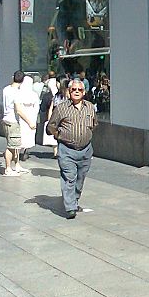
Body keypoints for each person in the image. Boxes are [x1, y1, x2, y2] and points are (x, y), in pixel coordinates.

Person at [46, 78, 98, 219]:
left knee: (80, 178)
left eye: (79, 90)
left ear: (84, 92)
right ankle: (70, 207)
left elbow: (94, 124)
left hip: (86, 150)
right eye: (73, 89)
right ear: (69, 92)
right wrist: (59, 136)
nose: (76, 92)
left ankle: (74, 200)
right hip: (67, 149)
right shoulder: (62, 108)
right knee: (69, 177)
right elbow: (51, 126)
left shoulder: (90, 107)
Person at [1, 70, 29, 177]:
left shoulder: (6, 89)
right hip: (13, 121)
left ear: (13, 77)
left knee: (16, 145)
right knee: (11, 146)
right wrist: (30, 122)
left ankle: (17, 165)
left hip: (7, 119)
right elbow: (19, 110)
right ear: (22, 81)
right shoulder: (16, 93)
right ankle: (8, 168)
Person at [17, 76, 40, 162]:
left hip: (22, 115)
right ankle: (26, 150)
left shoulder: (19, 93)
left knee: (22, 133)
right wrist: (34, 115)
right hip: (31, 115)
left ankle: (20, 150)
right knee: (29, 133)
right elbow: (36, 106)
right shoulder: (34, 94)